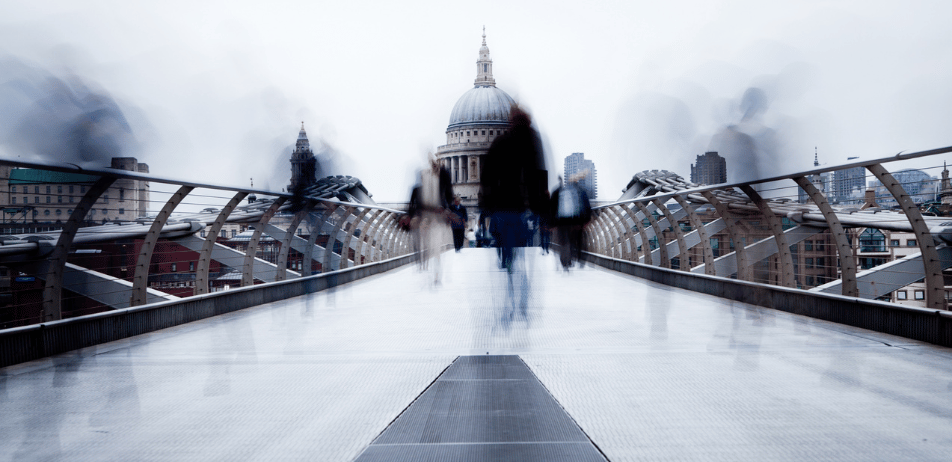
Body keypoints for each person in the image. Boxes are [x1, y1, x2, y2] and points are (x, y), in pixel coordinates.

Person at [550, 173, 592, 269]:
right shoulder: (580, 191)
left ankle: (566, 261)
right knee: (575, 240)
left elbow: (552, 208)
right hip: (575, 220)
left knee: (564, 241)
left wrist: (552, 223)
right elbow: (586, 206)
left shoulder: (559, 191)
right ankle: (578, 257)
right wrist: (586, 219)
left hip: (561, 220)